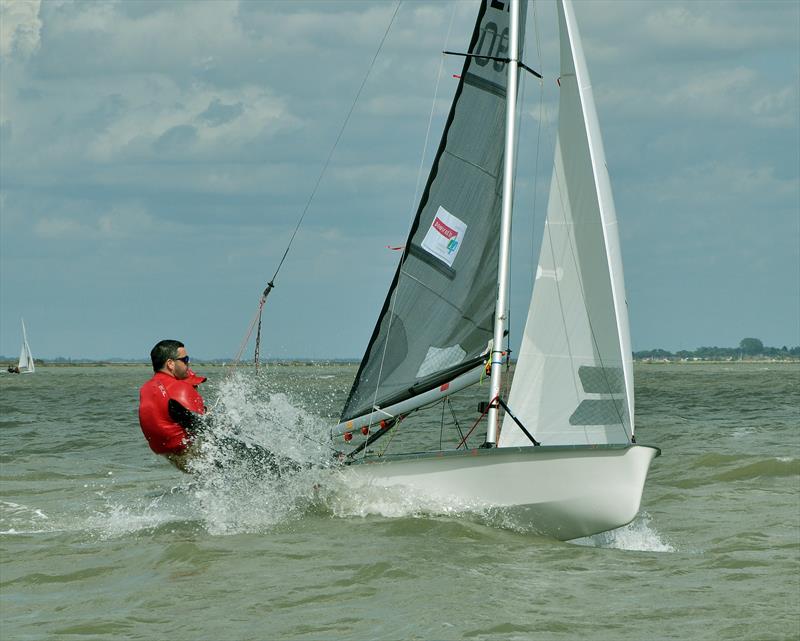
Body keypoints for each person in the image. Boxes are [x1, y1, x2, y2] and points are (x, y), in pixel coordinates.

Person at [138, 339, 206, 472]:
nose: (188, 363)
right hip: (191, 455)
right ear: (170, 363)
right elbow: (204, 425)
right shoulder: (180, 389)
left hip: (172, 457)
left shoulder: (145, 388)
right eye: (185, 359)